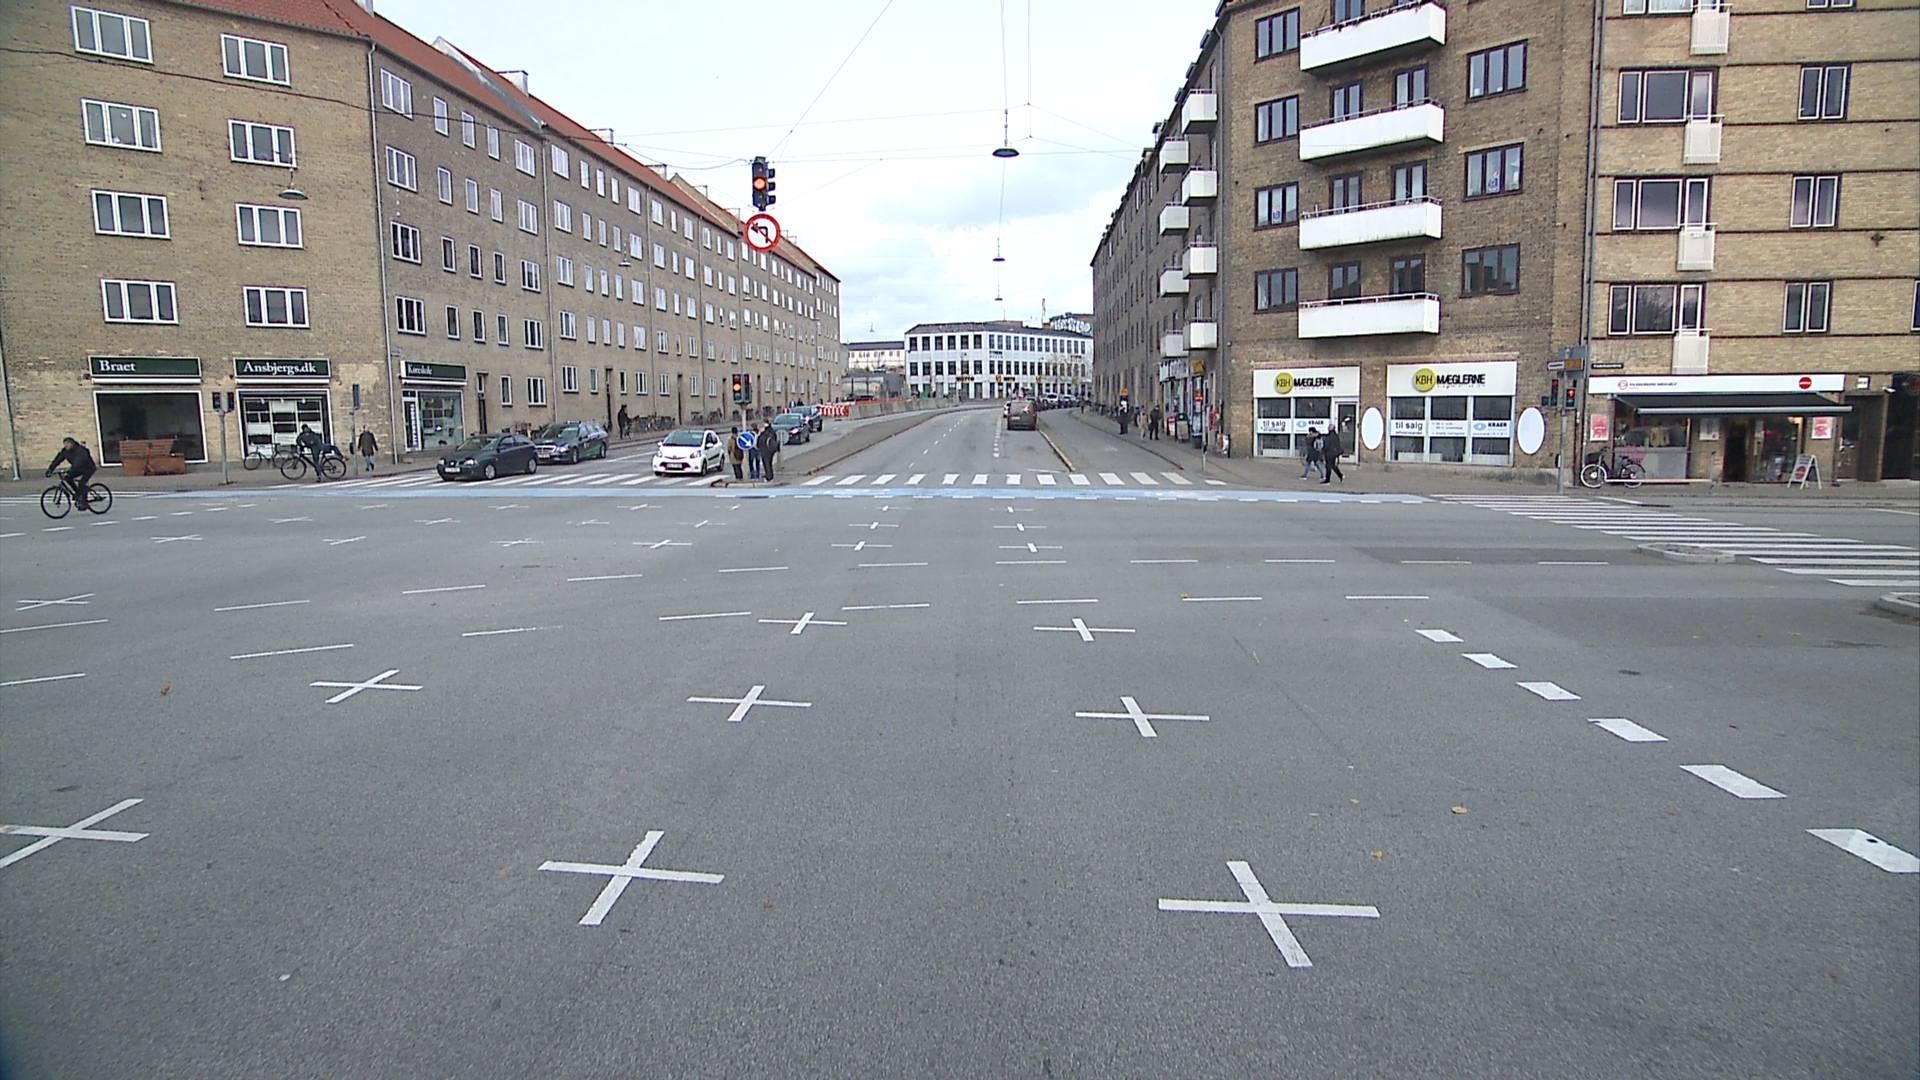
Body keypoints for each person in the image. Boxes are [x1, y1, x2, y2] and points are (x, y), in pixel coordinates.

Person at [45, 437, 97, 511]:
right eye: (64, 444)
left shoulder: (80, 450)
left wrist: (71, 470)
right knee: (67, 478)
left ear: (72, 444)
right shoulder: (65, 451)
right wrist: (50, 470)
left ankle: (83, 502)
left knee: (82, 483)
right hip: (77, 468)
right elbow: (57, 460)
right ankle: (77, 494)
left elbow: (79, 461)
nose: (66, 446)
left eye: (67, 444)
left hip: (88, 468)